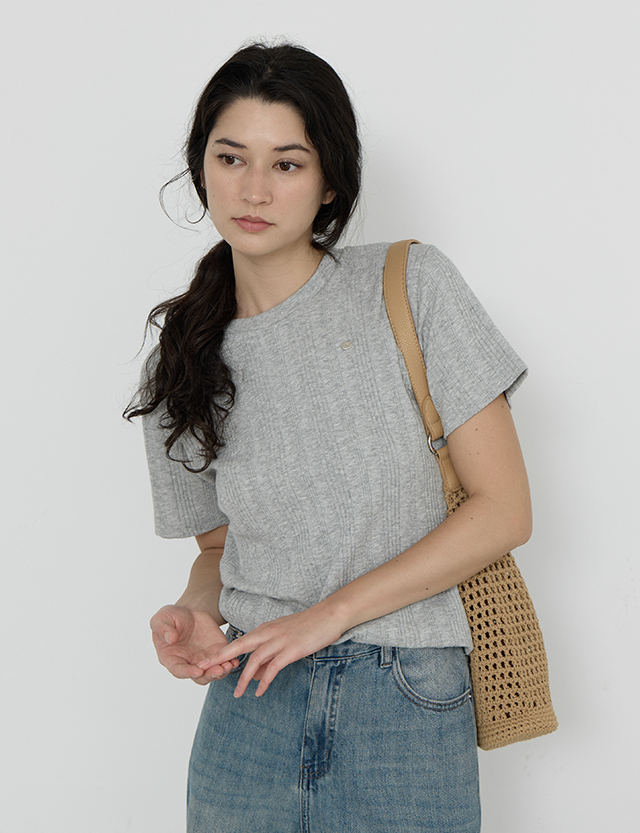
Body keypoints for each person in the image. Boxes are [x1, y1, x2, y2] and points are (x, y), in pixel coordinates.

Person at [126, 41, 531, 833]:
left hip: (404, 699)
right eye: (231, 157)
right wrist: (195, 610)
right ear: (201, 167)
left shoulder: (411, 285)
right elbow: (217, 546)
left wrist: (327, 616)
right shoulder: (181, 354)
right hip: (248, 703)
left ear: (331, 181)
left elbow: (504, 509)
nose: (253, 188)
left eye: (287, 163)